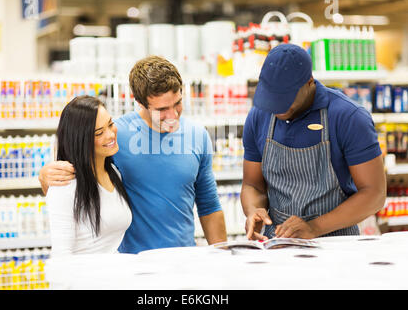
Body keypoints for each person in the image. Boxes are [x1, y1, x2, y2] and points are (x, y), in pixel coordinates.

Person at [40, 56, 227, 254]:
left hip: (183, 259)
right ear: (139, 102)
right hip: (133, 266)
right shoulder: (113, 136)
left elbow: (209, 204)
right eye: (162, 109)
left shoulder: (198, 136)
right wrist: (45, 176)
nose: (173, 116)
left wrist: (222, 257)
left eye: (178, 103)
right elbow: (76, 183)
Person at [241, 43, 386, 240]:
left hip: (337, 245)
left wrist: (314, 227)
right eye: (271, 97)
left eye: (285, 98)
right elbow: (253, 185)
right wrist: (254, 210)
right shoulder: (259, 116)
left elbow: (374, 194)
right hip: (276, 243)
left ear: (309, 82)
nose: (276, 106)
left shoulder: (349, 117)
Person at [46, 96, 132, 257]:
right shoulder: (65, 186)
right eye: (99, 133)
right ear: (81, 140)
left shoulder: (114, 173)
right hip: (86, 279)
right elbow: (62, 256)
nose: (110, 134)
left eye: (111, 124)